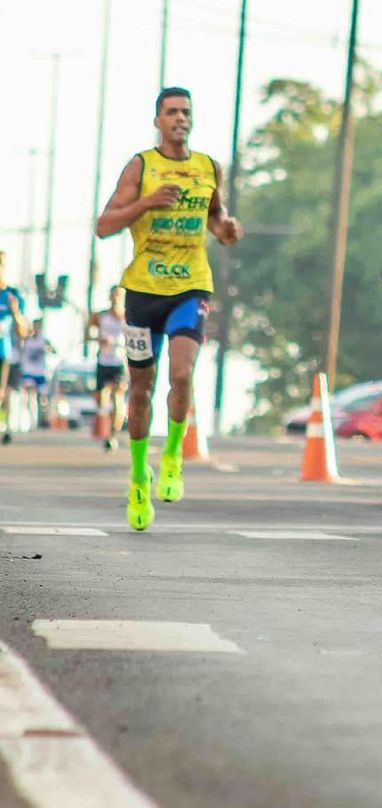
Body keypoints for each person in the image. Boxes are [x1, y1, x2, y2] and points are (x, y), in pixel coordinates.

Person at [95, 88, 242, 530]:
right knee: (140, 388)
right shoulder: (141, 166)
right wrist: (146, 202)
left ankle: (174, 454)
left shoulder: (207, 167)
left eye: (186, 112)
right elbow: (104, 225)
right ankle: (140, 476)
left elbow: (216, 217)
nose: (180, 118)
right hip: (142, 291)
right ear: (157, 119)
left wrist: (226, 229)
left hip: (191, 287)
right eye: (172, 112)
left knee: (181, 374)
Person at [88, 285, 129, 450]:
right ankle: (105, 418)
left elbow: (137, 337)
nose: (115, 298)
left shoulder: (129, 317)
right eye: (113, 295)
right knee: (100, 398)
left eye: (119, 295)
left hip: (119, 363)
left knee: (117, 399)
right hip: (103, 362)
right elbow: (88, 333)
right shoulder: (100, 316)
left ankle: (112, 436)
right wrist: (99, 340)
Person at [0, 251, 30, 444]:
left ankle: (6, 426)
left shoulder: (13, 295)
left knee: (4, 393)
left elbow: (23, 331)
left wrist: (16, 312)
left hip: (4, 350)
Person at [18, 318, 54, 431]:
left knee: (43, 398)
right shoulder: (26, 338)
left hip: (40, 372)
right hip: (28, 371)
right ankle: (31, 420)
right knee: (30, 394)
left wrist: (48, 349)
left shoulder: (43, 339)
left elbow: (53, 350)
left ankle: (42, 418)